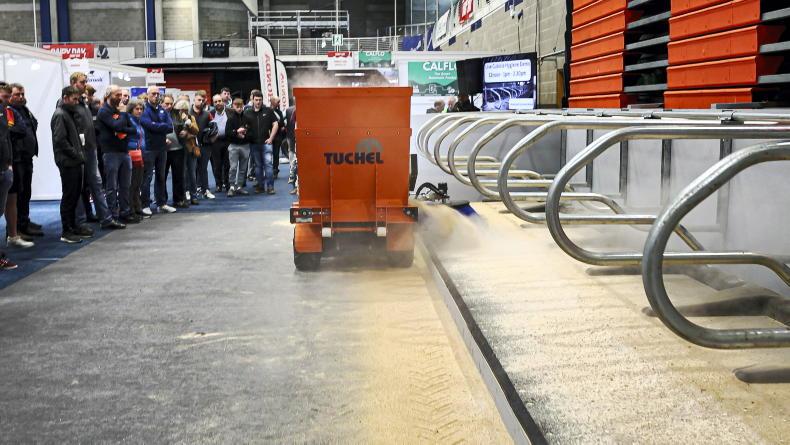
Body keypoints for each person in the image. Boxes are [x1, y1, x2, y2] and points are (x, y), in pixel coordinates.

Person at [67, 72, 123, 231]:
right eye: (82, 82)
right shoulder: (67, 103)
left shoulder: (83, 102)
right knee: (79, 187)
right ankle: (80, 222)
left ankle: (105, 218)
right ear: (73, 83)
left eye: (85, 82)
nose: (84, 84)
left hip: (91, 148)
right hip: (79, 150)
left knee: (97, 184)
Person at [51, 86, 87, 244]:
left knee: (74, 195)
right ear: (65, 97)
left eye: (78, 99)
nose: (76, 102)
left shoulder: (69, 113)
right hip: (67, 161)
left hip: (74, 160)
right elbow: (60, 140)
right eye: (74, 99)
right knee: (69, 195)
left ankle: (72, 226)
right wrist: (76, 154)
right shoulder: (60, 114)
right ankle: (66, 230)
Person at [96, 85, 137, 225]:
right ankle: (113, 215)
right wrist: (122, 119)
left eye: (121, 95)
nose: (120, 98)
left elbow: (133, 129)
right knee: (111, 187)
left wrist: (121, 122)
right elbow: (118, 126)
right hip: (110, 152)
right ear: (108, 95)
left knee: (125, 185)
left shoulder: (119, 112)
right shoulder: (103, 111)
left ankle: (125, 212)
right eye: (117, 95)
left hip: (124, 151)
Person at [0, 83, 34, 249]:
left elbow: (21, 129)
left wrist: (7, 129)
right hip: (6, 163)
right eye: (5, 96)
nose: (5, 100)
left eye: (7, 97)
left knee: (15, 197)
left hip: (12, 162)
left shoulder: (11, 112)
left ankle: (14, 234)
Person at [8, 83, 43, 239]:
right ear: (10, 96)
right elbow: (12, 131)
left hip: (27, 156)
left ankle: (24, 221)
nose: (21, 97)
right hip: (17, 158)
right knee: (19, 193)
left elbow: (34, 123)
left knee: (26, 191)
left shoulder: (24, 109)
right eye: (17, 94)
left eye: (22, 94)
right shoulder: (9, 112)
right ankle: (17, 228)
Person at [140, 86, 176, 215]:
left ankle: (161, 203)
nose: (156, 96)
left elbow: (170, 127)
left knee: (161, 177)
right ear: (148, 95)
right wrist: (161, 126)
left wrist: (157, 126)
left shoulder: (162, 109)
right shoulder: (144, 109)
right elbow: (147, 125)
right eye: (153, 94)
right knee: (147, 177)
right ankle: (145, 204)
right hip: (149, 148)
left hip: (162, 148)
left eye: (157, 94)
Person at [243, 90, 278, 194]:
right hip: (253, 143)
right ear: (252, 100)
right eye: (256, 100)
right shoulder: (247, 112)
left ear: (262, 100)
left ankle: (270, 187)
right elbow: (243, 126)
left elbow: (275, 124)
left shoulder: (268, 111)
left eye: (260, 100)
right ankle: (260, 186)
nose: (258, 102)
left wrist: (271, 138)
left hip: (266, 143)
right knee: (258, 167)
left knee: (268, 165)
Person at [172, 99, 200, 205]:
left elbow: (196, 131)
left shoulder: (190, 117)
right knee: (181, 174)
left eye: (184, 110)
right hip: (178, 149)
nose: (182, 112)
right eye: (180, 110)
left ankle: (194, 196)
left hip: (190, 148)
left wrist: (188, 125)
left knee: (192, 174)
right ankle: (183, 197)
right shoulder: (173, 118)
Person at [162, 94, 186, 208]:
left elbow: (184, 127)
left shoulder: (177, 113)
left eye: (171, 103)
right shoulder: (158, 114)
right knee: (162, 176)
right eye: (166, 104)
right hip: (163, 150)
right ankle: (163, 200)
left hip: (178, 149)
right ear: (161, 103)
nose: (169, 106)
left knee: (178, 176)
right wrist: (163, 139)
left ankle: (178, 199)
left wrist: (185, 132)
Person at [190, 90, 214, 200]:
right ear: (194, 100)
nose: (201, 102)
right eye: (198, 100)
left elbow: (214, 128)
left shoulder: (207, 114)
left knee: (203, 169)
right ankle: (191, 191)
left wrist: (211, 136)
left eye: (202, 100)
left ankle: (206, 190)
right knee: (191, 170)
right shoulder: (188, 113)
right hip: (191, 145)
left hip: (205, 145)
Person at [126, 99, 147, 219]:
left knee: (137, 183)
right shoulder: (129, 120)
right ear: (131, 109)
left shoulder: (138, 122)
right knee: (132, 184)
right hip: (131, 155)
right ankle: (131, 209)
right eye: (137, 109)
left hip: (140, 155)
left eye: (141, 109)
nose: (139, 111)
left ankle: (137, 207)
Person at [225, 98, 250, 197]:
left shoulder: (247, 118)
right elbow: (227, 133)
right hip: (234, 146)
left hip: (245, 145)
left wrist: (245, 134)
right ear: (233, 106)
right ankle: (231, 186)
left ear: (243, 106)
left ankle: (239, 186)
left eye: (241, 106)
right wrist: (236, 132)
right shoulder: (230, 118)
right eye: (237, 106)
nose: (239, 108)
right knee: (233, 167)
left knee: (243, 168)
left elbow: (251, 131)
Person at [210, 94, 230, 192]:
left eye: (220, 101)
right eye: (216, 101)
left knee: (227, 164)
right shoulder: (210, 113)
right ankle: (218, 184)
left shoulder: (230, 112)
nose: (218, 103)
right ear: (213, 103)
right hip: (215, 142)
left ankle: (227, 183)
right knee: (216, 165)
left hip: (227, 141)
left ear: (223, 101)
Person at [270, 96, 286, 180]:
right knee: (267, 155)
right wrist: (278, 124)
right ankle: (268, 171)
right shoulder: (267, 111)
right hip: (267, 137)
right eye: (278, 102)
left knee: (276, 155)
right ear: (272, 102)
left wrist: (278, 124)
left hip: (277, 137)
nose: (279, 103)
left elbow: (282, 124)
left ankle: (275, 170)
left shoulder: (279, 112)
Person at [285, 100, 298, 194]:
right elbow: (288, 125)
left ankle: (298, 187)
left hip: (304, 141)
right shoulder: (289, 110)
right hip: (292, 140)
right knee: (293, 165)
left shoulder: (309, 110)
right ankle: (294, 187)